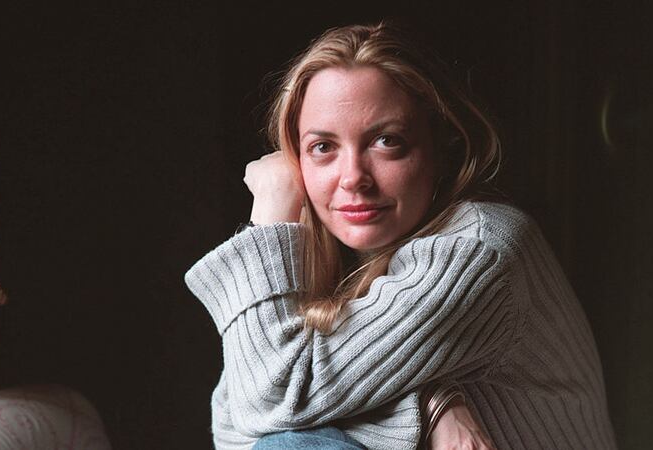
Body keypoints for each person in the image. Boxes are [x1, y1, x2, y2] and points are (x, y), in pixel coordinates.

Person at [185, 22, 618, 450]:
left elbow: (268, 403)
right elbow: (234, 427)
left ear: (444, 144)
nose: (353, 178)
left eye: (386, 141)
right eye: (323, 147)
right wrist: (429, 404)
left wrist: (270, 218)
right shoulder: (334, 258)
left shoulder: (479, 249)